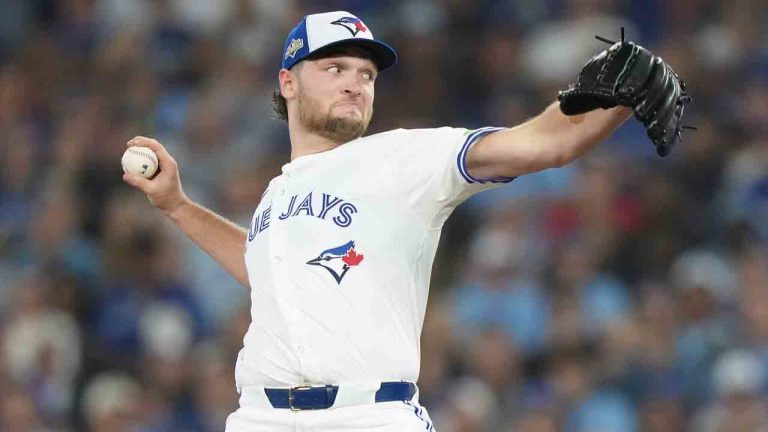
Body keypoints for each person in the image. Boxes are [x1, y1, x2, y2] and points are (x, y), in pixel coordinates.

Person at [122, 10, 687, 432]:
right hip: (258, 417)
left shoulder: (400, 159)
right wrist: (177, 206)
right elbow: (268, 273)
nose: (355, 82)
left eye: (367, 74)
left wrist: (603, 105)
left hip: (369, 414)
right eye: (335, 67)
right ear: (288, 82)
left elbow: (539, 146)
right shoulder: (276, 192)